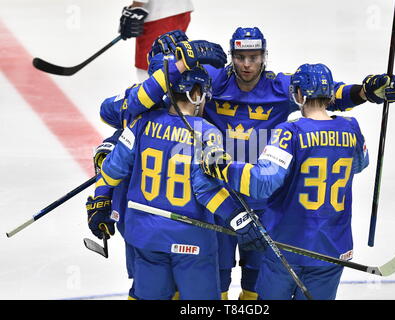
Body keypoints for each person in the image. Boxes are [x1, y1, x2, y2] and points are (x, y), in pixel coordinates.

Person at [121, 27, 395, 300]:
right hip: (218, 197)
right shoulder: (213, 81)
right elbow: (164, 95)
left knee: (256, 278)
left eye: (254, 57)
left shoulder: (281, 85)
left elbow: (329, 93)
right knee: (214, 275)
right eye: (240, 57)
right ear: (231, 56)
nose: (247, 65)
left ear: (264, 56)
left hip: (264, 201)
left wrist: (365, 92)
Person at [86, 62, 267, 299]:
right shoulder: (206, 132)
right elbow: (206, 189)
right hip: (191, 241)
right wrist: (238, 218)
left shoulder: (140, 122)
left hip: (145, 236)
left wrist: (99, 199)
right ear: (196, 94)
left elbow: (112, 170)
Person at [201, 63, 370, 300]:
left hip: (289, 244)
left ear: (299, 94)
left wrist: (224, 168)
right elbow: (360, 164)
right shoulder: (351, 128)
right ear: (331, 94)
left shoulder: (290, 132)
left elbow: (263, 182)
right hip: (334, 247)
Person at [118, 0, 194, 80]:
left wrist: (135, 8)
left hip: (159, 15)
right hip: (178, 10)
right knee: (170, 63)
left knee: (151, 68)